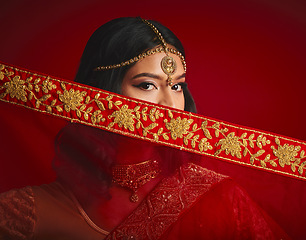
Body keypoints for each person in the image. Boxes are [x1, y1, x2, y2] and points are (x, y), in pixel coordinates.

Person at [0, 17, 290, 239]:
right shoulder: (28, 210)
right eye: (147, 85)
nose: (170, 104)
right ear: (100, 92)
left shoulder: (217, 197)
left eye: (177, 86)